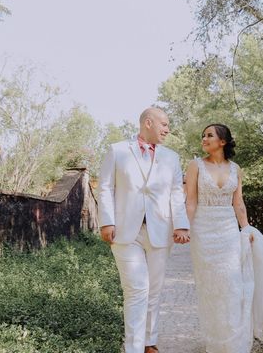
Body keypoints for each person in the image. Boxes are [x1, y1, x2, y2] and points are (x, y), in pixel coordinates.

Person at [98, 107, 190, 353]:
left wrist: (181, 224)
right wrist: (106, 221)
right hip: (126, 233)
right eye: (164, 124)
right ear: (148, 123)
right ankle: (134, 348)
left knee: (154, 290)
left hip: (160, 231)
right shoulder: (117, 151)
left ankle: (150, 342)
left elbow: (176, 192)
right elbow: (106, 187)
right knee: (137, 289)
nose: (168, 129)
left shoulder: (171, 157)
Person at [185, 123, 263, 353]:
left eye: (209, 135)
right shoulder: (195, 165)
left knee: (232, 286)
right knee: (210, 288)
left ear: (223, 141)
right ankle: (216, 342)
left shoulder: (236, 169)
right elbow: (190, 201)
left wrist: (246, 229)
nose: (204, 139)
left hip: (228, 230)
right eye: (203, 136)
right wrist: (184, 227)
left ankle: (234, 342)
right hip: (203, 230)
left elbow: (238, 203)